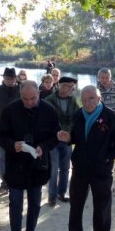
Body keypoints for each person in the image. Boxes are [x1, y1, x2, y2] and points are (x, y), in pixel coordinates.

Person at [57, 85, 115, 231]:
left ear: (99, 98)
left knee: (102, 211)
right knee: (76, 206)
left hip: (102, 172)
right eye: (84, 100)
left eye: (91, 99)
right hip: (80, 169)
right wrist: (69, 139)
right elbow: (76, 138)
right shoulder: (78, 115)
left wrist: (107, 158)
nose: (87, 103)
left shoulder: (111, 117)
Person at [0, 81, 60, 231]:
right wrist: (12, 145)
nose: (30, 102)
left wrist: (43, 147)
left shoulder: (48, 110)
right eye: (25, 99)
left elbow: (55, 137)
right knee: (15, 205)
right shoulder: (10, 110)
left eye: (33, 99)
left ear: (39, 94)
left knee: (35, 203)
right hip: (16, 165)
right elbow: (0, 136)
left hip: (38, 166)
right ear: (20, 95)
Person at [44, 76, 80, 206]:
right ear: (61, 85)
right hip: (53, 140)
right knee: (53, 169)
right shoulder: (48, 100)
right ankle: (52, 196)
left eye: (72, 87)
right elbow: (45, 121)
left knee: (65, 168)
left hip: (67, 140)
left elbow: (77, 117)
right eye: (69, 86)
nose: (71, 89)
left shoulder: (73, 100)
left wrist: (70, 132)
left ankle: (62, 192)